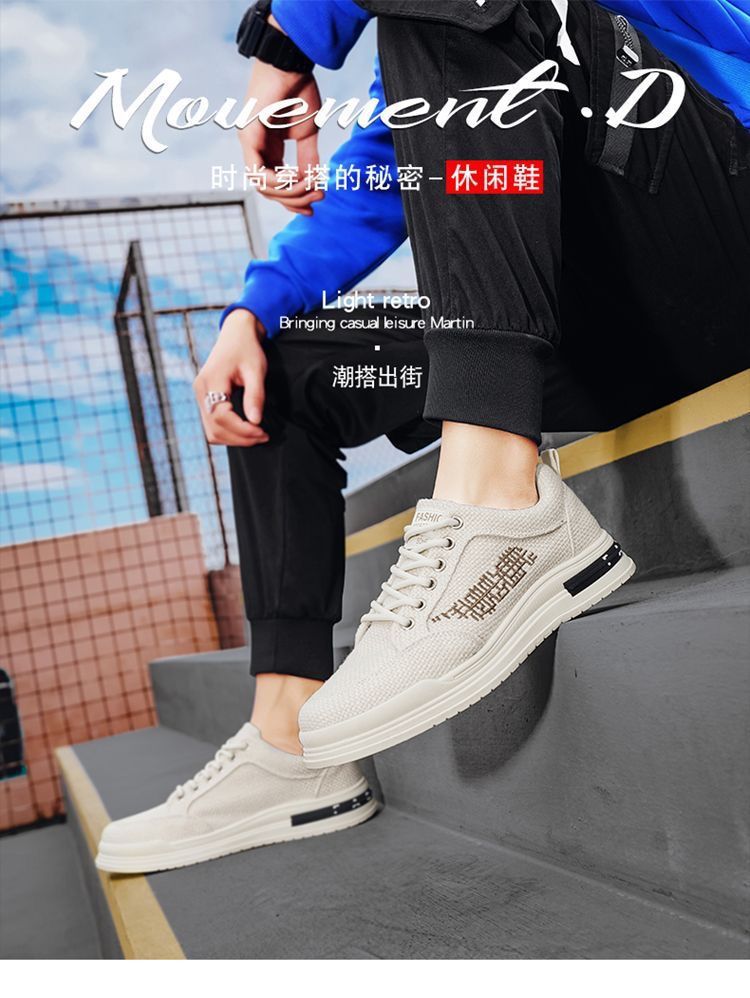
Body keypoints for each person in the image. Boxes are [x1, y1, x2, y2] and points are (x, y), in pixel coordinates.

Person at [96, 0, 750, 873]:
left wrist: (283, 42)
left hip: (715, 229)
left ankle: (501, 506)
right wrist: (250, 310)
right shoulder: (443, 41)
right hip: (590, 336)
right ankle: (289, 747)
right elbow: (385, 176)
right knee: (282, 375)